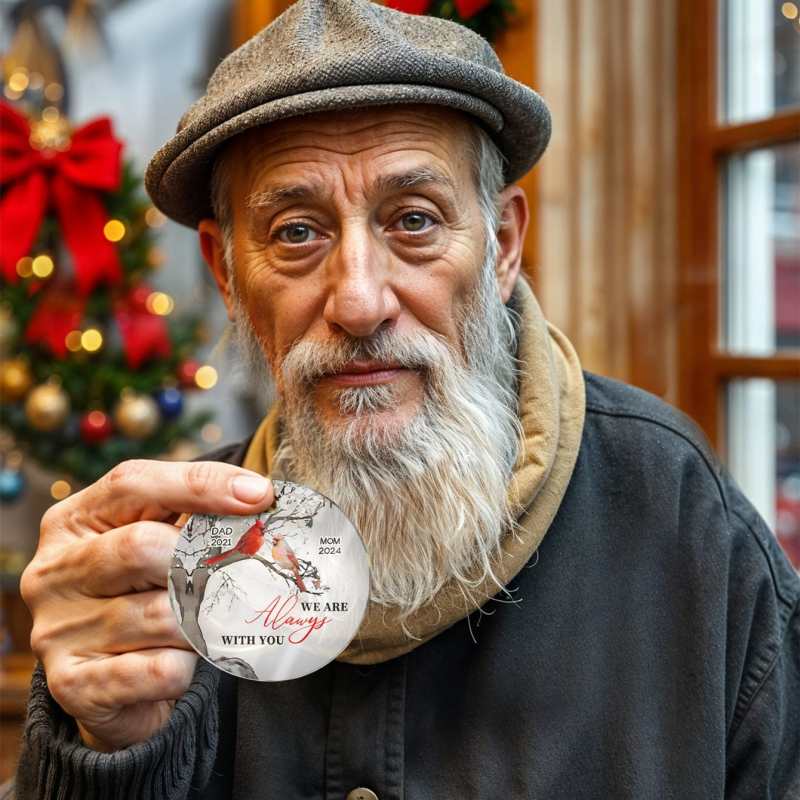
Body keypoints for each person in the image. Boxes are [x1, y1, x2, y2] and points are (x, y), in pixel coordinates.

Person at [7, 1, 800, 798]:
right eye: (296, 232)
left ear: (501, 246)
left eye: (414, 221)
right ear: (227, 273)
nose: (359, 302)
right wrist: (101, 751)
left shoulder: (682, 523)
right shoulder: (161, 585)